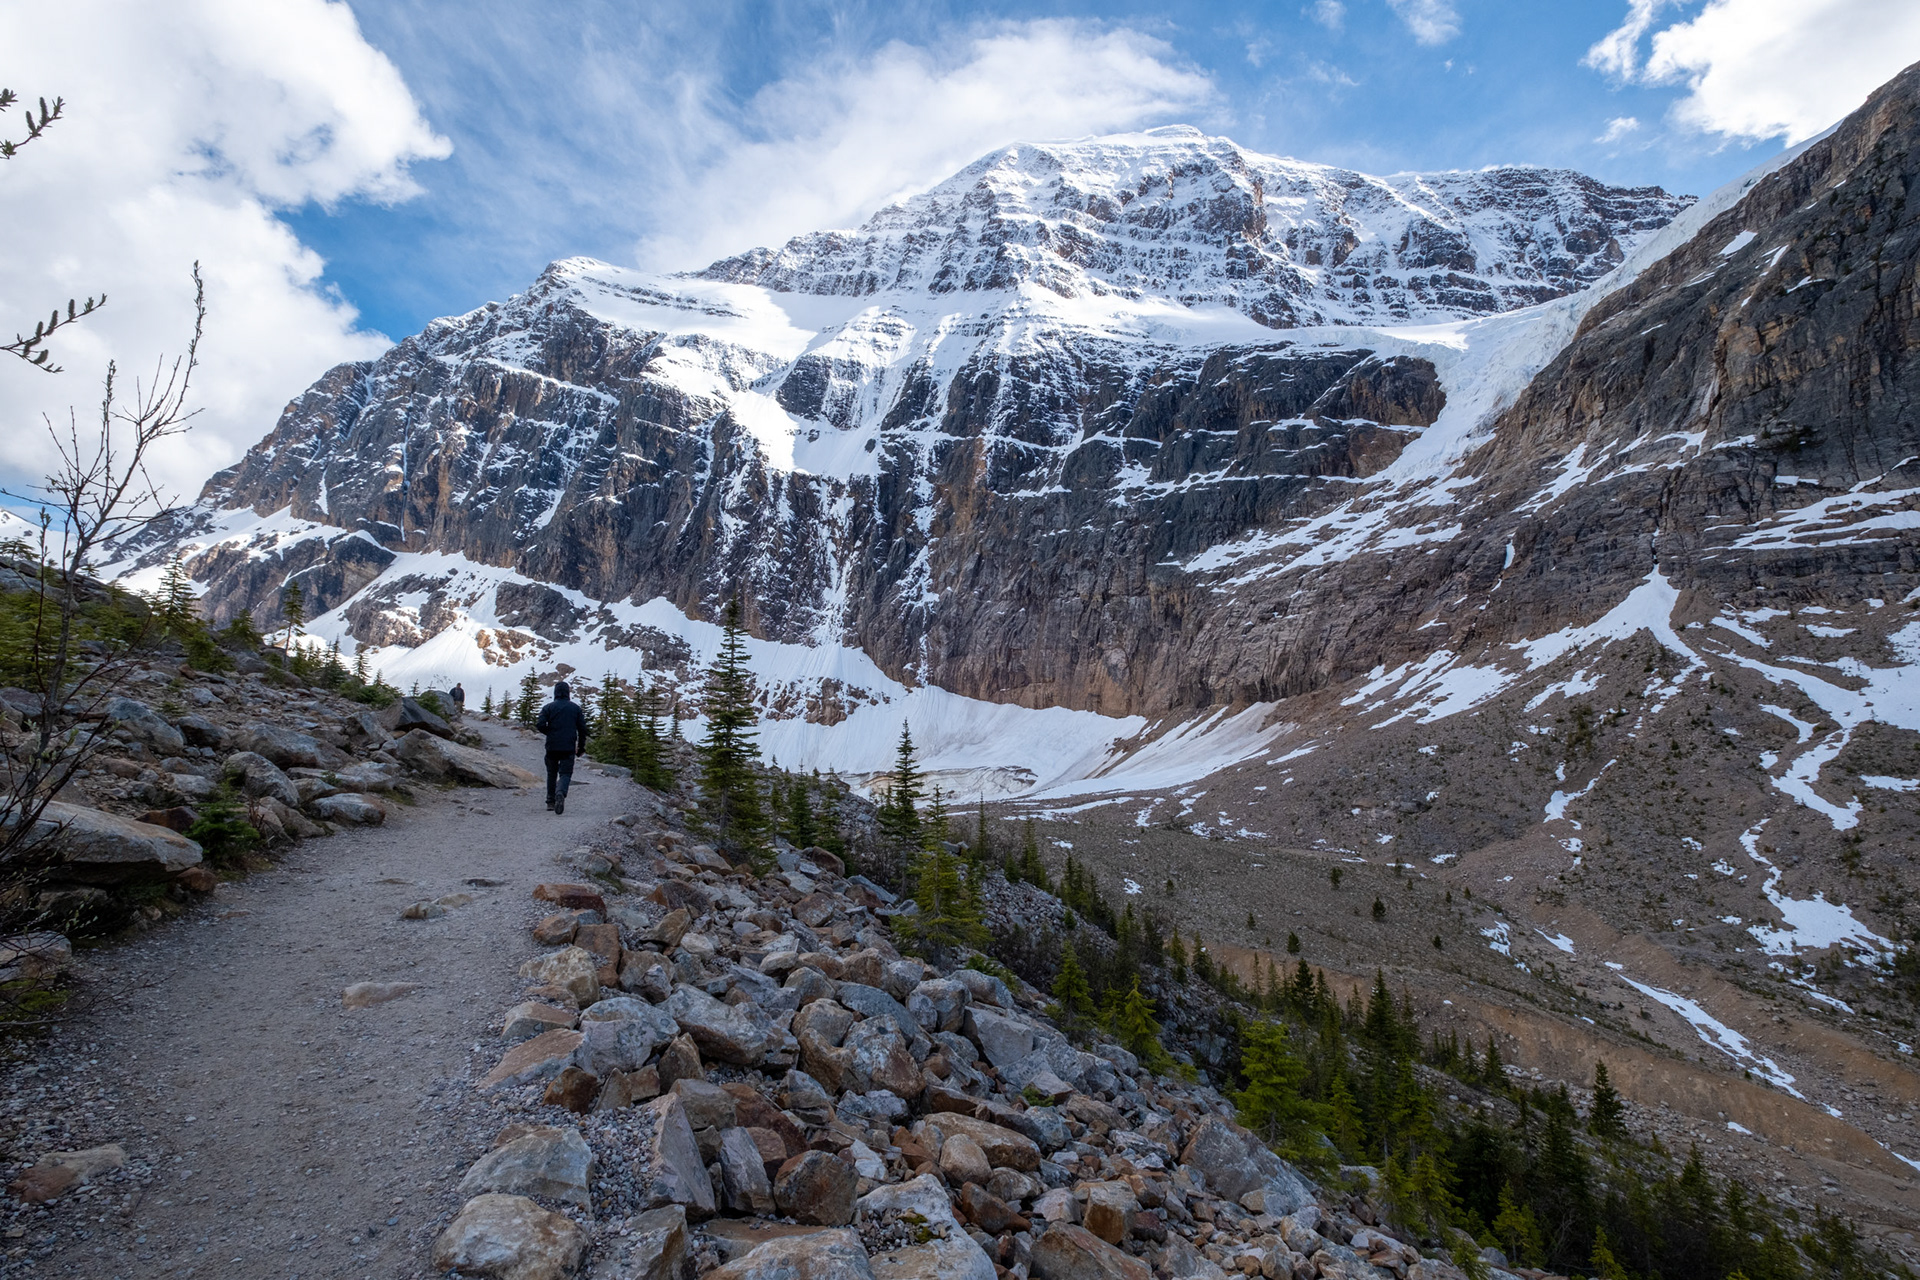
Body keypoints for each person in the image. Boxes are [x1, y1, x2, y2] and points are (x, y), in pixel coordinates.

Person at [535, 681, 588, 814]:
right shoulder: (575, 708)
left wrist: (550, 733)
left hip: (552, 746)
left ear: (555, 692)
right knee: (565, 773)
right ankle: (560, 792)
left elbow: (540, 724)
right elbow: (582, 729)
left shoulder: (548, 707)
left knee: (551, 773)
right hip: (568, 746)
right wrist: (581, 747)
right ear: (568, 693)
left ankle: (550, 801)